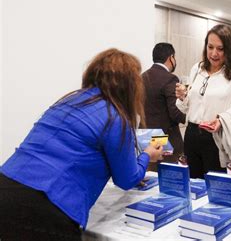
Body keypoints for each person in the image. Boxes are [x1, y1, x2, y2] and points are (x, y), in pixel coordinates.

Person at [0, 49, 164, 240]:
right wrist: (147, 155)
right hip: (47, 208)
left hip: (6, 187)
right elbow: (126, 179)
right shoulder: (115, 117)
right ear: (130, 85)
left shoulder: (68, 101)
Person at [175, 24, 231, 179]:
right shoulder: (197, 69)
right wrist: (183, 96)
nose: (214, 53)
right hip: (191, 134)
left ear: (229, 50)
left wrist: (221, 120)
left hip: (216, 138)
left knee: (216, 187)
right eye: (210, 47)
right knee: (193, 185)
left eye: (220, 49)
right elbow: (188, 107)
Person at [142, 43, 186, 166]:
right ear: (171, 57)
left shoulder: (141, 77)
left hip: (145, 138)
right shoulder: (170, 78)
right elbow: (175, 111)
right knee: (170, 179)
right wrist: (190, 118)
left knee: (151, 176)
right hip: (166, 141)